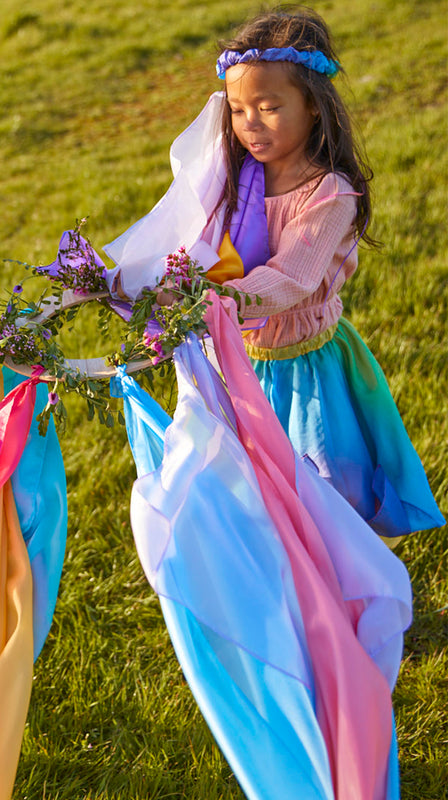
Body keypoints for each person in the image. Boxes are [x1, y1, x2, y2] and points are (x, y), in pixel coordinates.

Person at [104, 6, 443, 539]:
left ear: (312, 106)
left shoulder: (329, 194)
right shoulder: (238, 177)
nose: (249, 124)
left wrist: (215, 302)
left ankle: (341, 577)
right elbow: (195, 238)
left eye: (267, 107)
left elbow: (292, 279)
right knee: (251, 483)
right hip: (238, 361)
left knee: (322, 484)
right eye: (238, 110)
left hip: (304, 367)